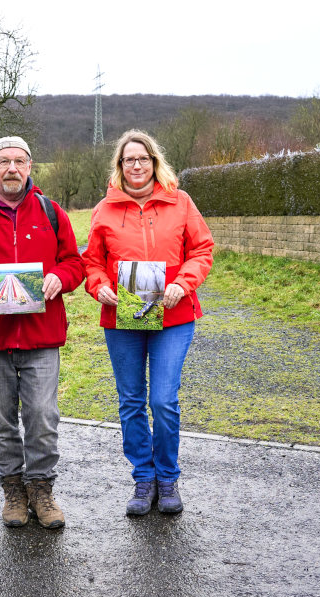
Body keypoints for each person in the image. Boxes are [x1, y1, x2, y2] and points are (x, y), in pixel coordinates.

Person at [0, 136, 84, 529]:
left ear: (30, 166)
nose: (12, 168)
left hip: (41, 335)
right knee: (0, 420)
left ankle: (41, 489)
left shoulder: (51, 212)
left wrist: (60, 277)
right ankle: (13, 491)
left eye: (19, 161)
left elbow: (75, 263)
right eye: (3, 161)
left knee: (42, 416)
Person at [82, 129, 214, 516]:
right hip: (122, 319)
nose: (136, 165)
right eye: (129, 160)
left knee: (163, 400)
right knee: (131, 401)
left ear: (154, 162)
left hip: (173, 316)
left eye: (143, 158)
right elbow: (91, 262)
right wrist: (99, 286)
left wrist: (182, 284)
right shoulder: (104, 209)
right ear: (119, 165)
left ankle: (168, 477)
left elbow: (202, 250)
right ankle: (144, 477)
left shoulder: (180, 202)